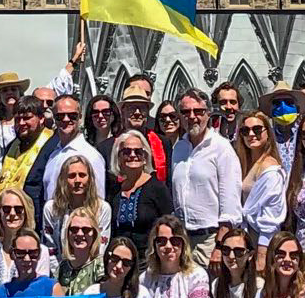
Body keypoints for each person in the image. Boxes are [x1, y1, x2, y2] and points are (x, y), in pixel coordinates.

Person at [172, 92, 241, 267]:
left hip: (210, 241)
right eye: (186, 112)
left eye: (198, 111)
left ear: (208, 113)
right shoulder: (178, 148)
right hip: (182, 240)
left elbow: (230, 201)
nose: (192, 117)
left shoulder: (221, 148)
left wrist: (220, 245)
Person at [106, 130, 173, 256]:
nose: (133, 155)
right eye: (126, 152)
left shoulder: (157, 188)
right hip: (122, 261)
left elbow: (170, 226)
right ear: (118, 158)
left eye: (138, 152)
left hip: (150, 260)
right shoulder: (114, 192)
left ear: (145, 157)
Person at [41, 94, 107, 217]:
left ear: (80, 117)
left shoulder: (91, 156)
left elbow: (98, 203)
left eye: (72, 115)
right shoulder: (53, 154)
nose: (66, 119)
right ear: (54, 118)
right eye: (60, 116)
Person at [0, 188, 42, 297]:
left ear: (26, 212)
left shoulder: (39, 251)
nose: (12, 214)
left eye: (18, 209)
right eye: (6, 209)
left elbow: (42, 289)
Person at [237, 110, 288, 245]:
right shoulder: (244, 163)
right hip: (244, 236)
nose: (251, 134)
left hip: (261, 237)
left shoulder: (270, 168)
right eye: (245, 131)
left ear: (268, 133)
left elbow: (271, 213)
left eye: (257, 129)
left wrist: (263, 247)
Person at [46, 152, 106, 257]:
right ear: (63, 180)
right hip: (60, 265)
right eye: (71, 176)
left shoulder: (103, 208)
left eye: (82, 175)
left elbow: (101, 249)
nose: (77, 180)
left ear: (90, 178)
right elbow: (51, 248)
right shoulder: (51, 208)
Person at [116, 78, 168, 182]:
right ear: (123, 110)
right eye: (132, 107)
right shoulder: (108, 147)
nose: (137, 112)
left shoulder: (163, 143)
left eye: (142, 108)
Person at [54, 214, 104, 295]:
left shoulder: (101, 265)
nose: (80, 234)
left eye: (86, 230)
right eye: (74, 229)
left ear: (94, 234)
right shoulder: (61, 267)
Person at [0, 229, 55, 298]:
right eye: (20, 253)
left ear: (39, 255)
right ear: (12, 255)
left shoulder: (51, 287)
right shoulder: (4, 290)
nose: (27, 259)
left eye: (33, 253)